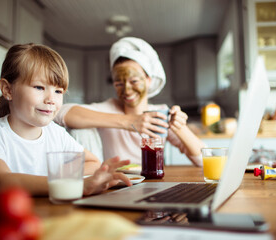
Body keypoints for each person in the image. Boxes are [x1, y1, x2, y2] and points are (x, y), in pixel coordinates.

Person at [0, 43, 131, 224]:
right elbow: (2, 183)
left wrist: (66, 178)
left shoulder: (56, 134)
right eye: (39, 87)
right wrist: (73, 185)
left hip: (31, 225)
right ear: (8, 90)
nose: (51, 99)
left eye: (58, 91)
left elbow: (93, 162)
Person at [54, 37, 205, 166]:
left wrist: (180, 128)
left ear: (148, 80)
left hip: (154, 183)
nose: (126, 90)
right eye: (119, 83)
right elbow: (60, 112)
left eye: (134, 81)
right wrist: (129, 121)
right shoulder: (109, 108)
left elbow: (203, 160)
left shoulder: (160, 112)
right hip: (118, 185)